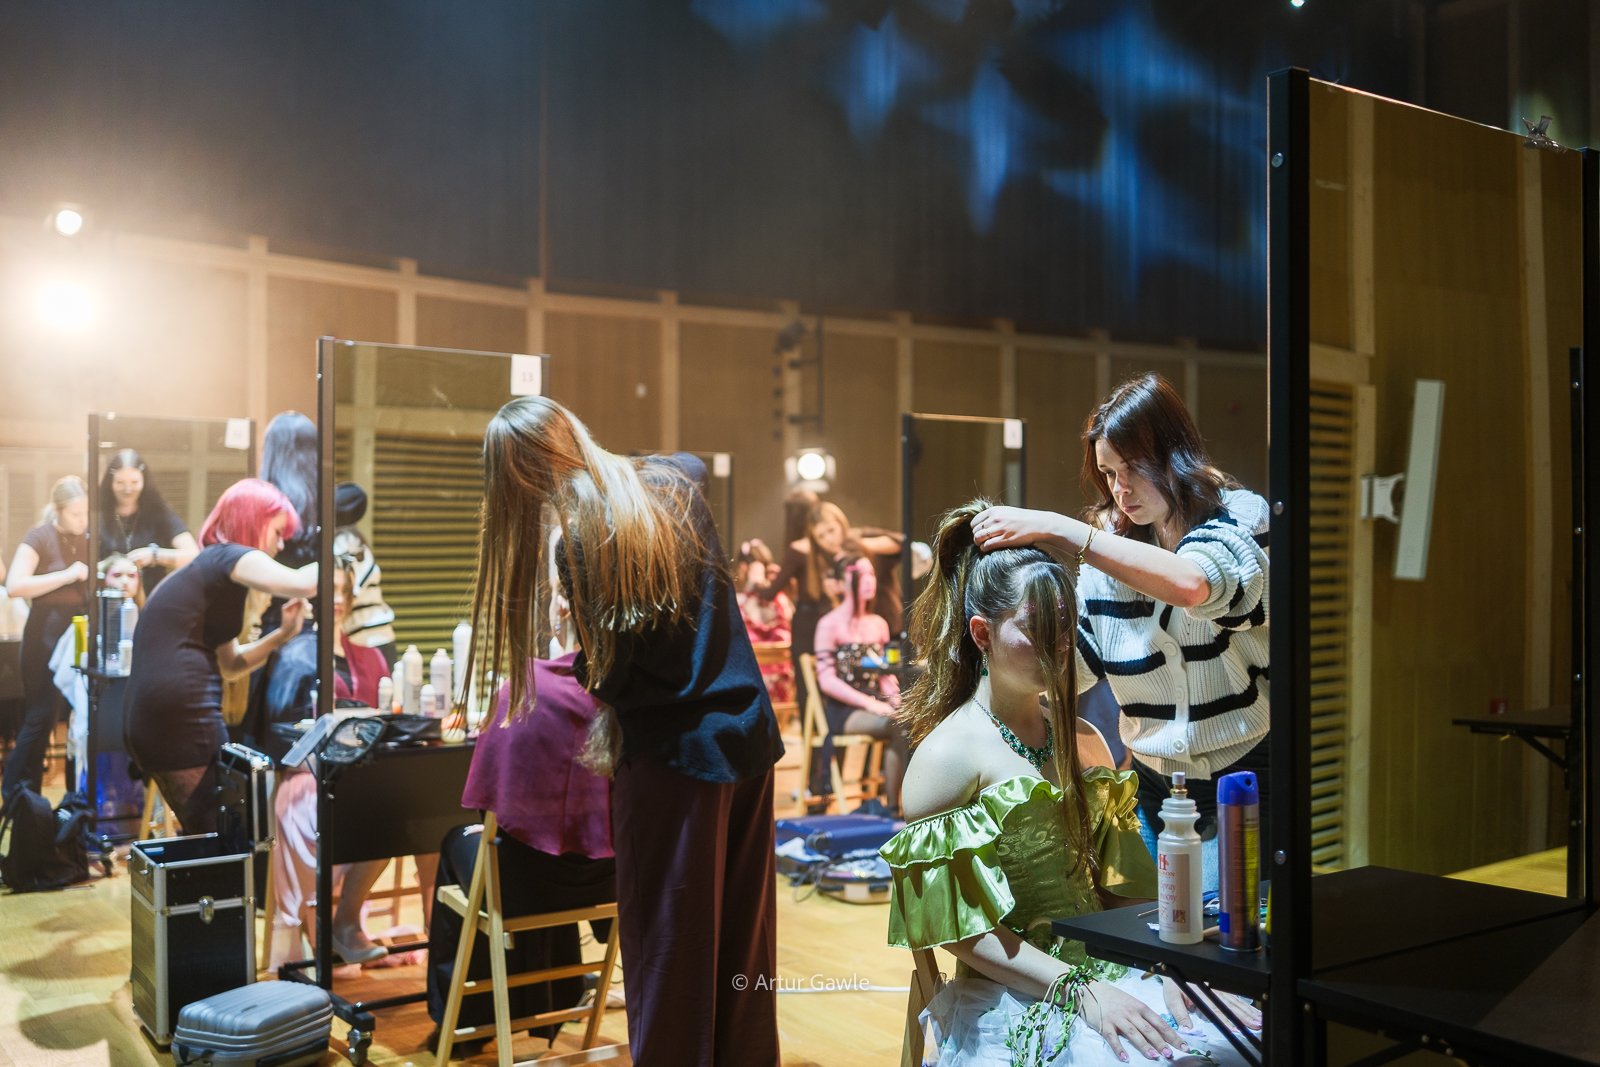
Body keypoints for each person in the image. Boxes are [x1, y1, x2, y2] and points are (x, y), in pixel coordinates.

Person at [880, 501, 1258, 1066]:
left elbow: (1118, 891)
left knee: (1239, 1042)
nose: (1060, 645)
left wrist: (1169, 963)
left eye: (1065, 626)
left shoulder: (1082, 739)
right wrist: (1080, 991)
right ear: (982, 633)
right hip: (1016, 991)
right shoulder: (946, 757)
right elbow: (961, 933)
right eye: (1037, 629)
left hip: (1110, 970)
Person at [466, 394, 783, 1066]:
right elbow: (692, 462)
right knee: (744, 951)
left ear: (519, 478)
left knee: (669, 955)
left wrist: (580, 645)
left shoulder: (580, 543)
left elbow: (614, 676)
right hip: (747, 738)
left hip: (672, 761)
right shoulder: (671, 483)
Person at [971, 373, 1270, 888]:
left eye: (1133, 469)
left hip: (1242, 775)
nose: (1119, 489)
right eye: (1109, 473)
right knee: (1154, 923)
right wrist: (999, 649)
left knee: (1226, 924)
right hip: (1152, 784)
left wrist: (1062, 529)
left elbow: (1194, 585)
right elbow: (1080, 665)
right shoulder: (1108, 549)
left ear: (1174, 454)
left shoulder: (1240, 515)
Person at [425, 592, 615, 1051]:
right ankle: (554, 999)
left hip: (521, 888)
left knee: (463, 844)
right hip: (609, 884)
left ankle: (463, 1024)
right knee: (548, 847)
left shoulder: (527, 686)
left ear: (564, 607)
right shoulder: (631, 691)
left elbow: (489, 806)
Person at [123, 478, 317, 835]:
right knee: (222, 836)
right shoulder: (228, 556)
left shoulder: (216, 575)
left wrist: (283, 635)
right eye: (277, 532)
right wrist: (339, 553)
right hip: (181, 717)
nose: (281, 544)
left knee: (213, 835)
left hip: (157, 717)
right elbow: (305, 583)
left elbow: (231, 665)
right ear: (253, 521)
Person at [266, 561, 395, 967]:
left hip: (362, 775)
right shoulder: (294, 655)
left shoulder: (371, 657)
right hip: (306, 776)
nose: (337, 599)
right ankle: (321, 935)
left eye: (344, 591)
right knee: (319, 806)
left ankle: (346, 921)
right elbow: (280, 733)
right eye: (329, 590)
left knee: (402, 813)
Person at [2, 476, 91, 798]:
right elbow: (15, 585)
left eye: (86, 513)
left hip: (77, 637)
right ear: (57, 510)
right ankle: (15, 794)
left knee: (75, 720)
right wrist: (67, 575)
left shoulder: (88, 538)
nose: (82, 520)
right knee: (40, 717)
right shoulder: (39, 537)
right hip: (44, 639)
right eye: (76, 514)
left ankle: (47, 799)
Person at [810, 554, 909, 813]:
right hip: (844, 709)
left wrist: (896, 700)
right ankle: (893, 809)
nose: (869, 581)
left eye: (872, 574)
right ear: (844, 581)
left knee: (911, 719)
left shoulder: (878, 623)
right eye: (862, 575)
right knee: (898, 723)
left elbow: (885, 674)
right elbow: (827, 681)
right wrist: (871, 705)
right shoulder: (828, 624)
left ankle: (905, 806)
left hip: (876, 702)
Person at [52, 554, 144, 808]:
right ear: (103, 580)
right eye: (117, 575)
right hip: (100, 711)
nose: (124, 581)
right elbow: (67, 676)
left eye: (131, 575)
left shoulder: (146, 619)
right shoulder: (89, 626)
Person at [97, 448, 198, 595]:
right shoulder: (97, 514)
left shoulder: (160, 512)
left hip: (152, 597)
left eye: (134, 482)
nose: (127, 489)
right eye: (120, 482)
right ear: (110, 482)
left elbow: (193, 556)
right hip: (107, 598)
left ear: (144, 481)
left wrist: (154, 556)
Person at [734, 538, 794, 703]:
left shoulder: (740, 601)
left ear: (743, 567)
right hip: (784, 674)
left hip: (754, 677)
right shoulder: (781, 599)